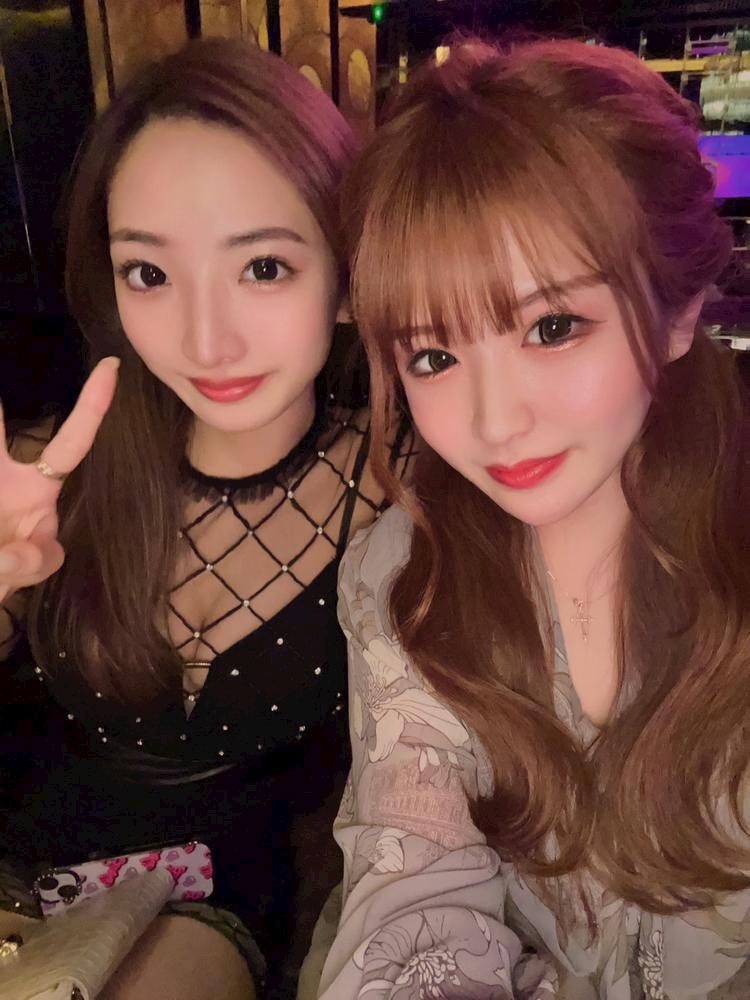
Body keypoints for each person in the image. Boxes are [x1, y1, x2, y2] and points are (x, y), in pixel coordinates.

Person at [316, 37, 750, 999]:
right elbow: (413, 898)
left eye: (552, 327)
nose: (494, 421)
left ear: (679, 312)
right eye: (433, 356)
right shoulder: (405, 576)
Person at [0, 37, 411, 1000]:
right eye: (149, 273)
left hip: (215, 903)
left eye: (263, 266)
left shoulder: (401, 474)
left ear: (345, 274)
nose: (204, 338)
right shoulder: (55, 466)